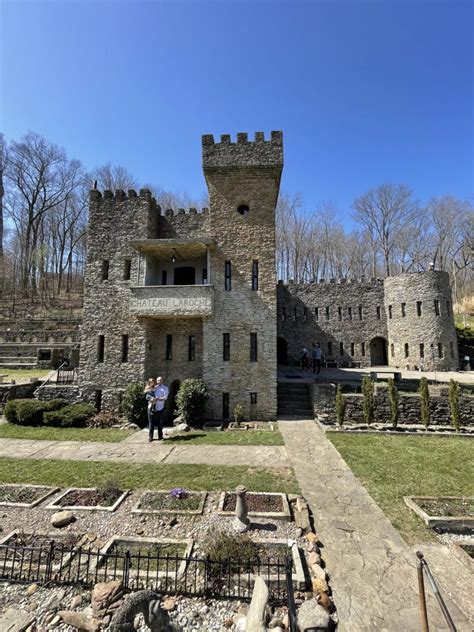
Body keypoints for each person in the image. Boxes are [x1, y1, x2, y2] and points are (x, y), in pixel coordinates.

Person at [148, 376, 169, 442]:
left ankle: (160, 437)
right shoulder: (154, 388)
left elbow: (165, 398)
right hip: (151, 407)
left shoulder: (165, 388)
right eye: (157, 380)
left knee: (160, 423)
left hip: (160, 408)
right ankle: (150, 437)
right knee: (151, 423)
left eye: (160, 380)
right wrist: (150, 399)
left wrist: (157, 399)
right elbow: (148, 395)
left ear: (162, 381)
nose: (158, 381)